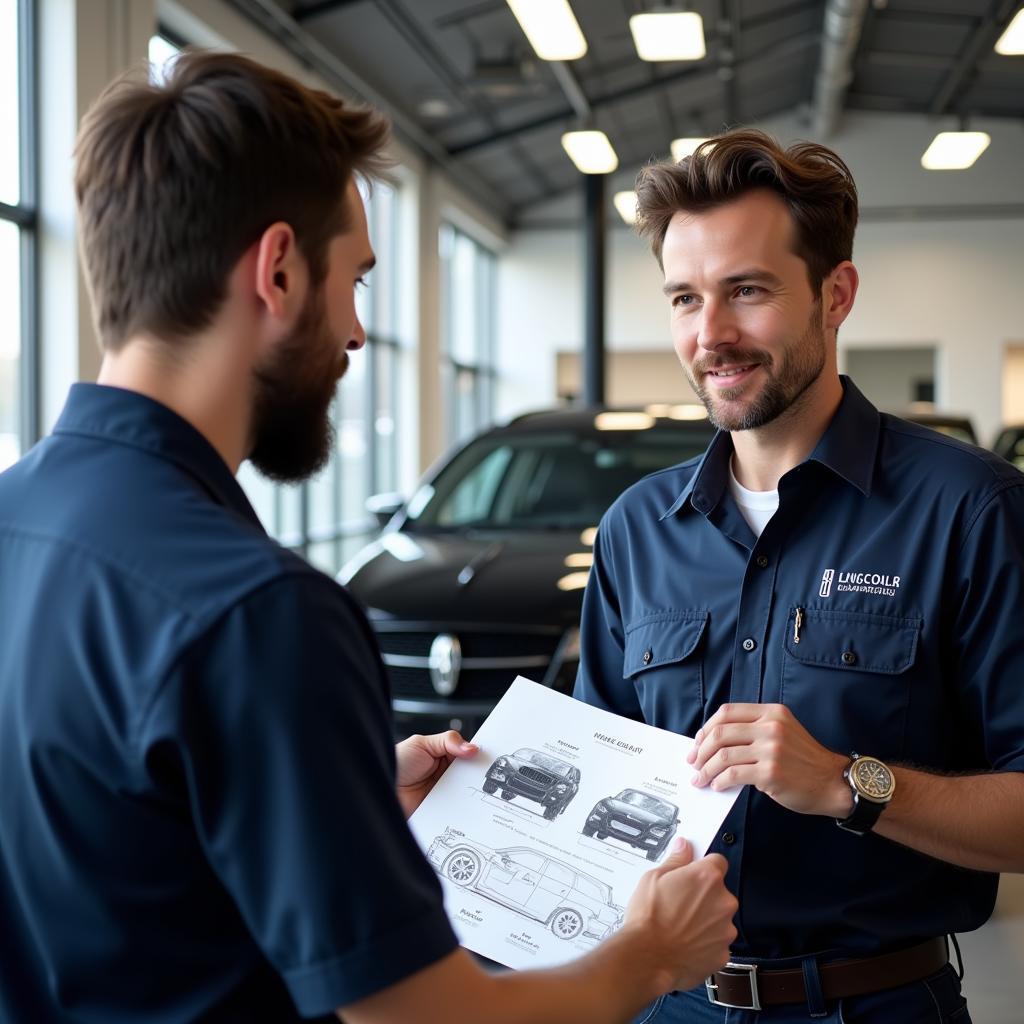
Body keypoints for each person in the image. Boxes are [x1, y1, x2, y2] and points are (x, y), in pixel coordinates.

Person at [0, 50, 739, 1023]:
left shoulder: (18, 523)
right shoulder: (260, 613)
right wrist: (645, 956)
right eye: (354, 280)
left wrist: (333, 786)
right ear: (277, 270)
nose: (355, 332)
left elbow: (110, 834)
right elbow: (423, 1016)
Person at [573, 128, 1024, 1023]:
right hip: (671, 1004)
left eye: (746, 291)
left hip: (878, 1004)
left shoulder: (971, 511)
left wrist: (848, 783)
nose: (711, 336)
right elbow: (592, 780)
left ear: (836, 293)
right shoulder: (635, 531)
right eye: (684, 299)